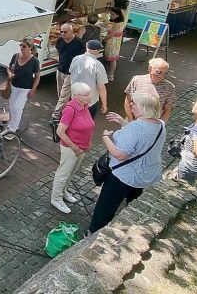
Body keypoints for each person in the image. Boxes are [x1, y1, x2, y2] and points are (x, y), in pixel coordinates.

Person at [86, 94, 166, 234]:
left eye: (134, 104)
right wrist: (123, 122)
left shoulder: (135, 128)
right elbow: (142, 135)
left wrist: (105, 137)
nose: (131, 105)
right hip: (145, 176)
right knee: (134, 203)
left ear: (144, 108)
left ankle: (93, 233)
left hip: (123, 177)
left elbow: (120, 155)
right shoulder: (160, 125)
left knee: (106, 207)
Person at [51, 82, 95, 214]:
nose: (89, 96)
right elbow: (60, 132)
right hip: (71, 149)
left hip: (81, 148)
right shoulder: (70, 109)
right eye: (86, 95)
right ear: (76, 96)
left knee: (71, 172)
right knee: (63, 174)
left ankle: (64, 192)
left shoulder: (85, 106)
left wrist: (88, 141)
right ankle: (56, 198)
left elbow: (87, 126)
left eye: (89, 93)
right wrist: (74, 147)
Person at [124, 58, 176, 122]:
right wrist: (130, 120)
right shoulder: (136, 80)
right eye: (158, 72)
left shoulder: (170, 87)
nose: (161, 76)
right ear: (150, 68)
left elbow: (168, 109)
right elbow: (127, 102)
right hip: (133, 120)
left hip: (153, 123)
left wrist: (160, 125)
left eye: (165, 73)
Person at [6, 38, 40, 133]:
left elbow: (37, 77)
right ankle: (11, 124)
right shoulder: (15, 56)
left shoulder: (34, 61)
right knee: (12, 107)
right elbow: (8, 67)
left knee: (17, 108)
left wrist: (33, 89)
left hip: (25, 88)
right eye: (20, 45)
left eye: (24, 46)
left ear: (30, 47)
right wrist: (9, 74)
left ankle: (12, 129)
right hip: (14, 86)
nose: (21, 47)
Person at [69, 40, 109, 118]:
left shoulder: (76, 58)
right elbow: (101, 87)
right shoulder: (98, 65)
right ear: (98, 51)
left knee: (73, 120)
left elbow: (70, 72)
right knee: (86, 123)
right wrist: (104, 104)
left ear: (86, 48)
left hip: (74, 97)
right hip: (89, 101)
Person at [53, 23, 85, 118]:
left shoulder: (79, 43)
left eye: (65, 32)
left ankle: (56, 115)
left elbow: (82, 58)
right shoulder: (60, 40)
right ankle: (65, 110)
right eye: (61, 32)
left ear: (71, 32)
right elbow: (59, 52)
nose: (62, 34)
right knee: (60, 93)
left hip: (71, 73)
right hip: (60, 69)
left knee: (64, 95)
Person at [103, 8, 125, 81]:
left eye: (113, 14)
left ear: (118, 15)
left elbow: (111, 35)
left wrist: (104, 38)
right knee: (113, 58)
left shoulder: (116, 24)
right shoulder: (120, 22)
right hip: (116, 42)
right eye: (110, 14)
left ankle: (110, 75)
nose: (111, 15)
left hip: (113, 42)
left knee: (112, 59)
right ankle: (110, 74)